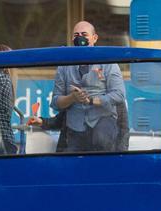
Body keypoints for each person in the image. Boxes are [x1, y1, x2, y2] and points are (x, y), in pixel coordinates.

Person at [52, 22, 127, 153]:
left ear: (94, 38)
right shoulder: (63, 65)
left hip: (103, 125)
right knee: (72, 166)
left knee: (101, 149)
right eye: (76, 35)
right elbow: (55, 102)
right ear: (72, 39)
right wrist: (72, 98)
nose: (80, 38)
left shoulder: (107, 61)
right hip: (75, 130)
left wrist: (92, 100)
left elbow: (119, 95)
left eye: (84, 35)